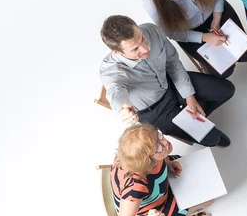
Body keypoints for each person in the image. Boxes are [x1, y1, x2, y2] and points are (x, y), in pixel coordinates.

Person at [99, 15, 234, 147]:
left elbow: (173, 63)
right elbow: (115, 90)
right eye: (135, 49)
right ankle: (200, 126)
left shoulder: (151, 30)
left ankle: (193, 118)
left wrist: (189, 96)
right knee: (213, 139)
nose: (145, 49)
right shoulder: (110, 70)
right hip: (155, 110)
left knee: (226, 90)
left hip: (171, 83)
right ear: (116, 52)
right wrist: (122, 108)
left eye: (142, 38)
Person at [111, 124, 215, 216]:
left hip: (158, 187)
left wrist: (167, 163)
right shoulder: (136, 187)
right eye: (157, 147)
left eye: (159, 136)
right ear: (147, 161)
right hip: (156, 209)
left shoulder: (131, 151)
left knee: (191, 166)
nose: (165, 142)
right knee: (210, 199)